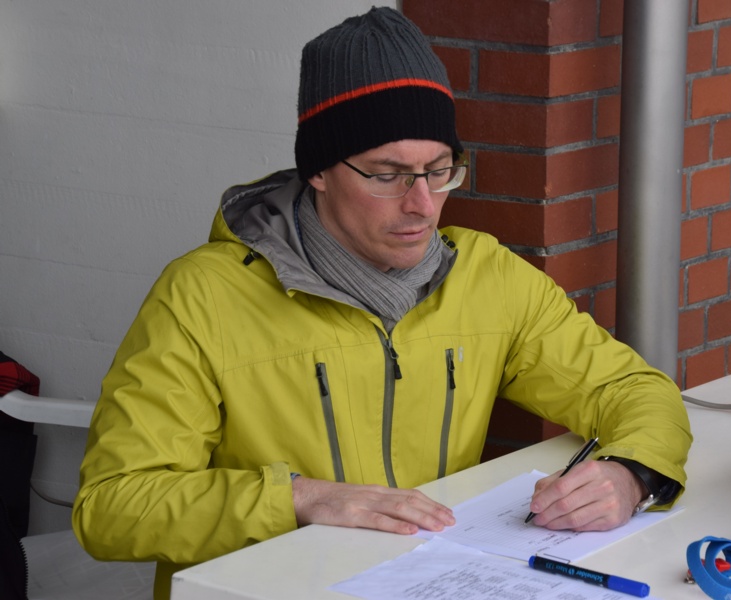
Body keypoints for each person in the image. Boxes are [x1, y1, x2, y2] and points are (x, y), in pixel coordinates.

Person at [72, 7, 692, 600]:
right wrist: (299, 499)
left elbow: (636, 390)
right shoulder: (201, 297)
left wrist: (631, 474)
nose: (421, 204)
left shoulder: (487, 277)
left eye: (440, 170)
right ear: (318, 170)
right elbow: (112, 506)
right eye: (387, 175)